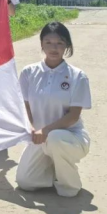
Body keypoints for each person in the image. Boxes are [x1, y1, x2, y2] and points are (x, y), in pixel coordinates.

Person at [16, 22, 92, 198]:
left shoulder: (77, 76)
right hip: (40, 139)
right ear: (42, 44)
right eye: (48, 42)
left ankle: (69, 185)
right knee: (25, 182)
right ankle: (54, 170)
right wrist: (32, 128)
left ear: (67, 46)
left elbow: (73, 116)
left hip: (69, 138)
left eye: (59, 43)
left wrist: (46, 130)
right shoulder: (28, 73)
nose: (54, 48)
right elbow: (24, 106)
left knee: (56, 137)